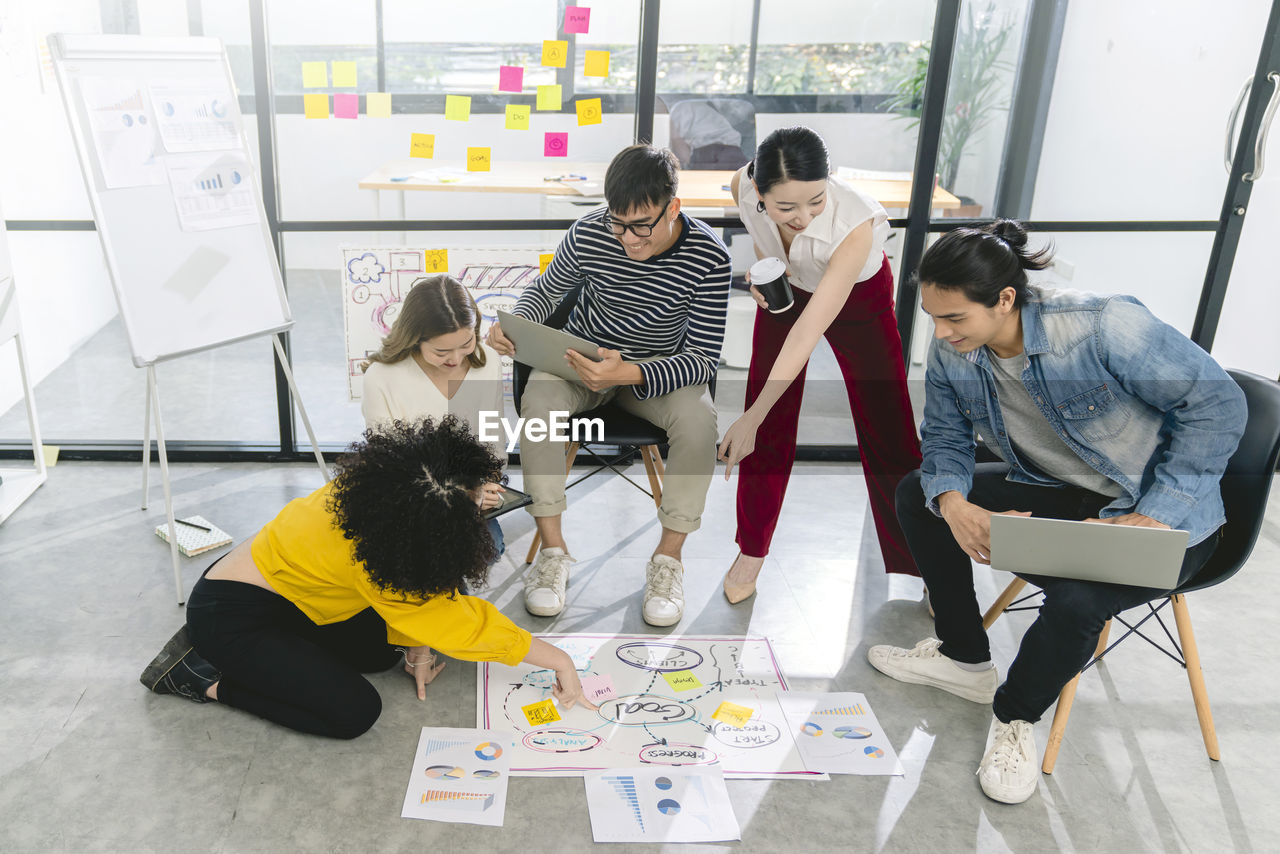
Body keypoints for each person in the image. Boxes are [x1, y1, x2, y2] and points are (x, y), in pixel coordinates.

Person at [866, 219, 1246, 804]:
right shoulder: (955, 350)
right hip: (1057, 492)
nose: (941, 334)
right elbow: (944, 437)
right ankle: (965, 659)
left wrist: (1159, 513)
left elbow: (1218, 404)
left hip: (1165, 516)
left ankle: (1015, 717)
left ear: (1006, 299)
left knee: (1078, 599)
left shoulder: (1101, 324)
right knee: (917, 494)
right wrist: (954, 501)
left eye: (955, 319)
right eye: (934, 318)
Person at [139, 417, 594, 739]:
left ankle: (272, 659)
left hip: (300, 597)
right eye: (476, 497)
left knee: (379, 654)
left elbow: (426, 596)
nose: (486, 501)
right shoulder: (381, 555)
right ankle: (199, 676)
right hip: (232, 614)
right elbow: (458, 622)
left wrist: (417, 642)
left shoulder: (380, 493)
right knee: (352, 713)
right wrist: (559, 660)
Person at [486, 144, 730, 627]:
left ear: (673, 207)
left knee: (700, 424)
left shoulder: (709, 257)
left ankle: (668, 561)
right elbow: (546, 291)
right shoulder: (590, 232)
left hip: (657, 370)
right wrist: (515, 326)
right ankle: (552, 554)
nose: (627, 238)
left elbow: (702, 359)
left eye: (641, 225)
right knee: (540, 403)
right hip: (582, 356)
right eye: (618, 223)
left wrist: (630, 373)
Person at [717, 126, 922, 603]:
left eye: (815, 200)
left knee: (889, 431)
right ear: (760, 191)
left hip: (857, 299)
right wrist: (766, 268)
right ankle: (751, 551)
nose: (804, 216)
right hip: (788, 293)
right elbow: (760, 234)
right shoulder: (741, 185)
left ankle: (925, 559)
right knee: (766, 424)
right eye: (785, 207)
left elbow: (808, 332)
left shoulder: (855, 225)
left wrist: (750, 415)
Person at [361, 274, 507, 557]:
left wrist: (487, 481)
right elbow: (386, 470)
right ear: (415, 339)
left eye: (466, 344)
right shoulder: (381, 377)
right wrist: (458, 495)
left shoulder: (488, 362)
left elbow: (492, 440)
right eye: (441, 351)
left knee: (488, 551)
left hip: (468, 495)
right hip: (409, 499)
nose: (456, 359)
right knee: (425, 557)